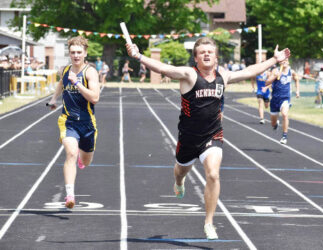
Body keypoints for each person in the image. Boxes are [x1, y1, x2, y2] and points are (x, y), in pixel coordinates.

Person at [126, 37, 290, 240]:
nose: (206, 54)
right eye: (202, 52)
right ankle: (179, 181)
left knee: (213, 174)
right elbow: (163, 68)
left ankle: (209, 222)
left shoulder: (224, 75)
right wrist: (138, 55)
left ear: (216, 56)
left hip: (213, 135)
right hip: (188, 138)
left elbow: (250, 71)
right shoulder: (188, 75)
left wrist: (274, 59)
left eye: (210, 52)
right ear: (195, 57)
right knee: (180, 171)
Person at [47, 36, 100, 208]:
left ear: (85, 53)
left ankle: (80, 159)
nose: (76, 55)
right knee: (70, 152)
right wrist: (54, 99)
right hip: (68, 121)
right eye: (72, 52)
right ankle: (70, 195)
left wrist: (77, 83)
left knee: (86, 161)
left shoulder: (90, 72)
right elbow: (60, 85)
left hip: (87, 124)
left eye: (79, 52)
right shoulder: (65, 70)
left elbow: (95, 98)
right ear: (69, 53)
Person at [264, 58, 300, 145]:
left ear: (288, 62)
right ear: (280, 63)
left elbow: (296, 79)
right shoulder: (275, 71)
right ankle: (275, 124)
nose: (284, 62)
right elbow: (267, 83)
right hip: (275, 99)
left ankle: (284, 136)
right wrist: (275, 76)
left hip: (285, 98)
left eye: (286, 61)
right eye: (282, 61)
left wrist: (297, 90)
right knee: (273, 123)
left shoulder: (291, 71)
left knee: (285, 114)